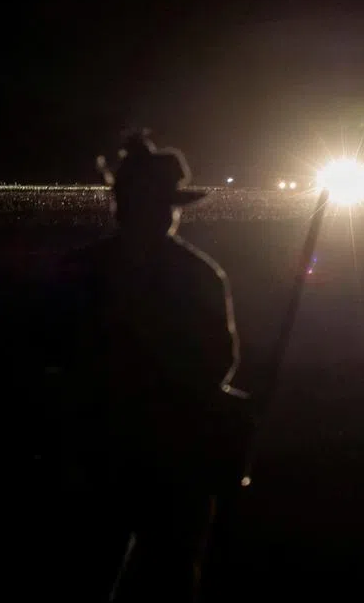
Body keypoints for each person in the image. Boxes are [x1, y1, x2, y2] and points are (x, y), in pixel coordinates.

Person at [51, 130, 239, 602]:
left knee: (95, 576)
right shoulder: (196, 274)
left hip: (111, 454)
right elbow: (221, 361)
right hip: (152, 458)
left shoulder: (80, 268)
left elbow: (49, 353)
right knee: (163, 581)